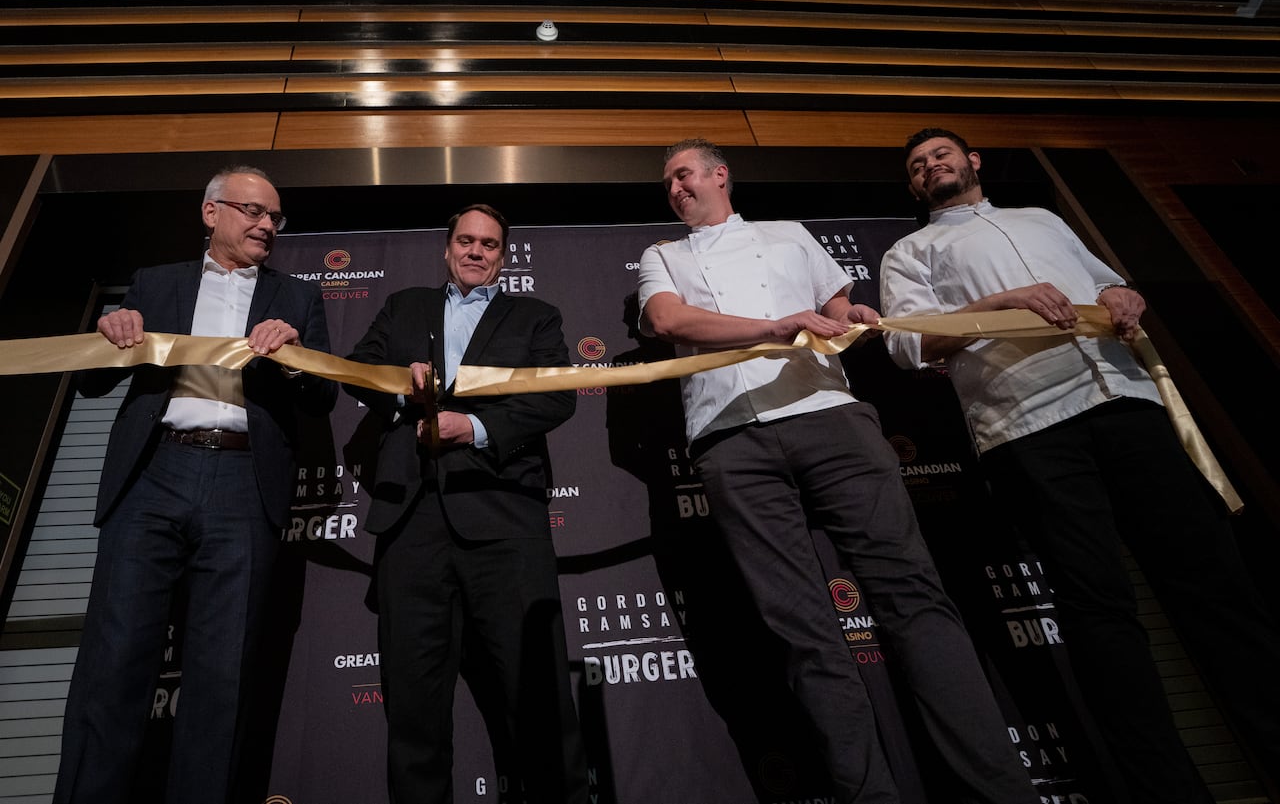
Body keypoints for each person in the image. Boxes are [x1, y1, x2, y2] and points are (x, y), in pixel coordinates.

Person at [879, 127, 1280, 804]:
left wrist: (1125, 294)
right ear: (915, 187)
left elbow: (1109, 285)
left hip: (1128, 403)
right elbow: (909, 344)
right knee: (1099, 612)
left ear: (972, 161)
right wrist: (1001, 302)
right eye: (918, 166)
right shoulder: (911, 250)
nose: (931, 167)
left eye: (941, 155)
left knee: (1217, 588)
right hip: (1028, 428)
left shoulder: (1042, 218)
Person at [636, 139, 1036, 804]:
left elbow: (838, 303)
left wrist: (853, 314)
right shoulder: (662, 255)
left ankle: (1004, 794)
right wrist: (770, 326)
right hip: (731, 439)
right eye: (668, 182)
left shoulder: (789, 234)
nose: (675, 187)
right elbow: (668, 318)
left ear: (718, 174)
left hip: (830, 416)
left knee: (916, 600)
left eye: (684, 173)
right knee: (803, 629)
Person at [54, 167, 337, 804]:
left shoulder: (297, 297)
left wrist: (293, 357)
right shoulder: (157, 283)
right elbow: (90, 383)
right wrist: (106, 338)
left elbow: (323, 396)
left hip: (243, 484)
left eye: (275, 217)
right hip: (154, 475)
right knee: (114, 662)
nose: (267, 225)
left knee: (223, 678)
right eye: (252, 211)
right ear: (211, 213)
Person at [345, 204, 586, 804]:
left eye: (489, 244)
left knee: (537, 697)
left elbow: (555, 400)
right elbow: (354, 372)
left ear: (504, 257)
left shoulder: (535, 317)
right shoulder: (404, 307)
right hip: (410, 525)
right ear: (447, 248)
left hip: (503, 519)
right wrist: (403, 388)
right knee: (413, 708)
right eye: (466, 241)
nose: (476, 251)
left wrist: (470, 428)